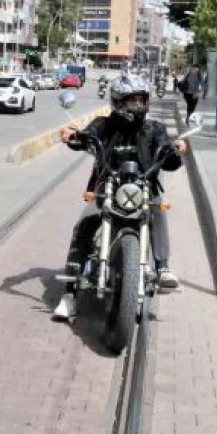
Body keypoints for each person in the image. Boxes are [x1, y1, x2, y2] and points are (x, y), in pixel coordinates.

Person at [52, 73, 187, 321]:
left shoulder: (154, 129)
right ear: (118, 101)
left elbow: (170, 162)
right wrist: (72, 136)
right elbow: (86, 137)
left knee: (157, 211)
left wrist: (175, 151)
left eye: (141, 99)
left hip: (144, 189)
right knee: (86, 223)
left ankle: (163, 267)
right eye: (131, 100)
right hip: (108, 188)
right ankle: (70, 294)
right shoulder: (103, 125)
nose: (137, 105)